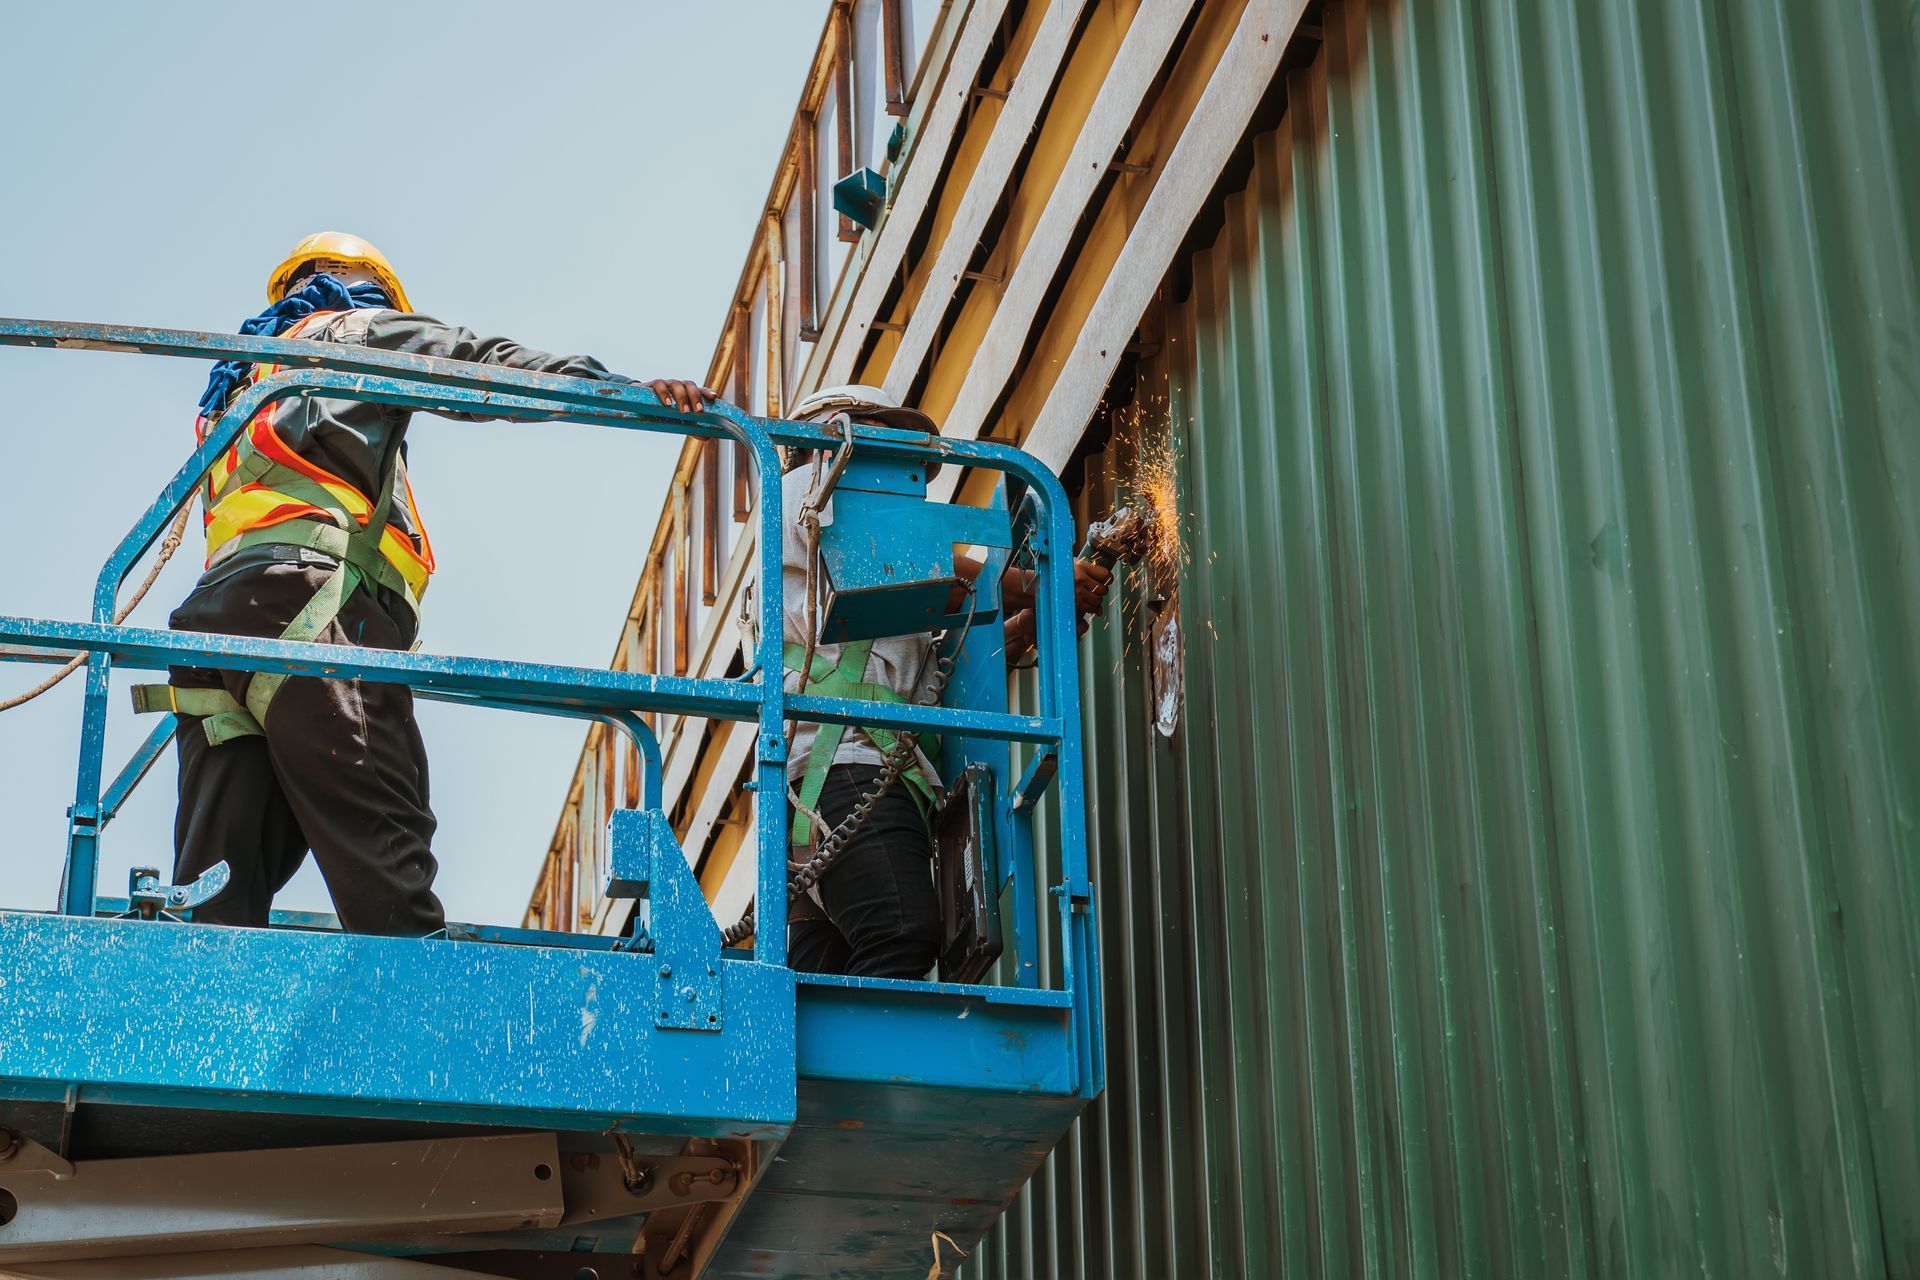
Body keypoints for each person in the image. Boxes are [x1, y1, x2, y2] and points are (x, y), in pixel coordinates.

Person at [144, 231, 710, 935]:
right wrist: (615, 390)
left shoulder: (241, 384)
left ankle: (201, 1024)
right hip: (307, 610)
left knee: (219, 888)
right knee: (385, 848)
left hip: (214, 634)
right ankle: (428, 1021)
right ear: (367, 284)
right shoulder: (355, 327)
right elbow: (477, 365)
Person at [761, 385, 1111, 977]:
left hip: (818, 792)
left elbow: (929, 684)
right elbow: (919, 562)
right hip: (844, 772)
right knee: (901, 935)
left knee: (827, 994)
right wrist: (1040, 581)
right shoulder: (807, 489)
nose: (897, 461)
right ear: (835, 430)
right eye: (882, 434)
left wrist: (1022, 627)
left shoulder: (860, 574)